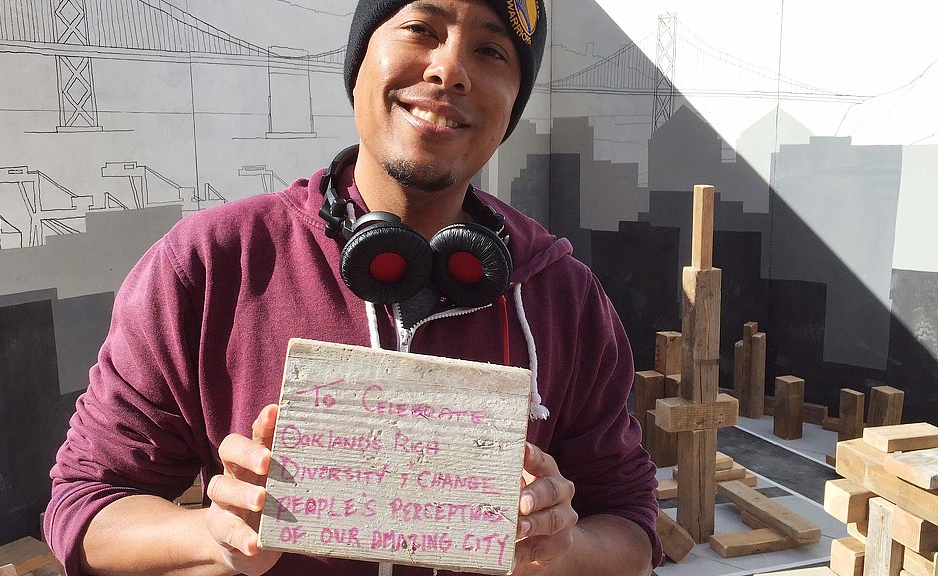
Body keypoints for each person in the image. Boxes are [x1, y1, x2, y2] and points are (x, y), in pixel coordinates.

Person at [44, 0, 662, 574]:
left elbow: (632, 531)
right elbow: (85, 507)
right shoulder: (210, 264)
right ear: (360, 58)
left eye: (492, 52)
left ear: (513, 104)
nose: (450, 71)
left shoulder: (565, 297)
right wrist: (215, 537)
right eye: (421, 28)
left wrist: (561, 551)